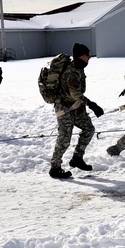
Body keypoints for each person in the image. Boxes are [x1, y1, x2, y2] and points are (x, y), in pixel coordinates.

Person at [49, 43, 104, 179]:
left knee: (88, 129)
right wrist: (92, 104)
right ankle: (55, 167)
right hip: (64, 107)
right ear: (80, 56)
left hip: (76, 106)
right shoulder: (72, 71)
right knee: (64, 138)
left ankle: (77, 158)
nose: (89, 57)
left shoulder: (79, 68)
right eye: (87, 55)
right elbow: (75, 93)